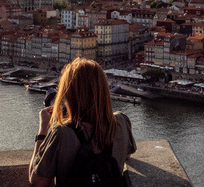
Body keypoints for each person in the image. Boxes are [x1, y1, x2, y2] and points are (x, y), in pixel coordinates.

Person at [28, 58, 136, 187]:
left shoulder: (62, 134)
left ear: (69, 94)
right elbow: (127, 154)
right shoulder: (121, 122)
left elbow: (37, 182)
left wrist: (43, 130)